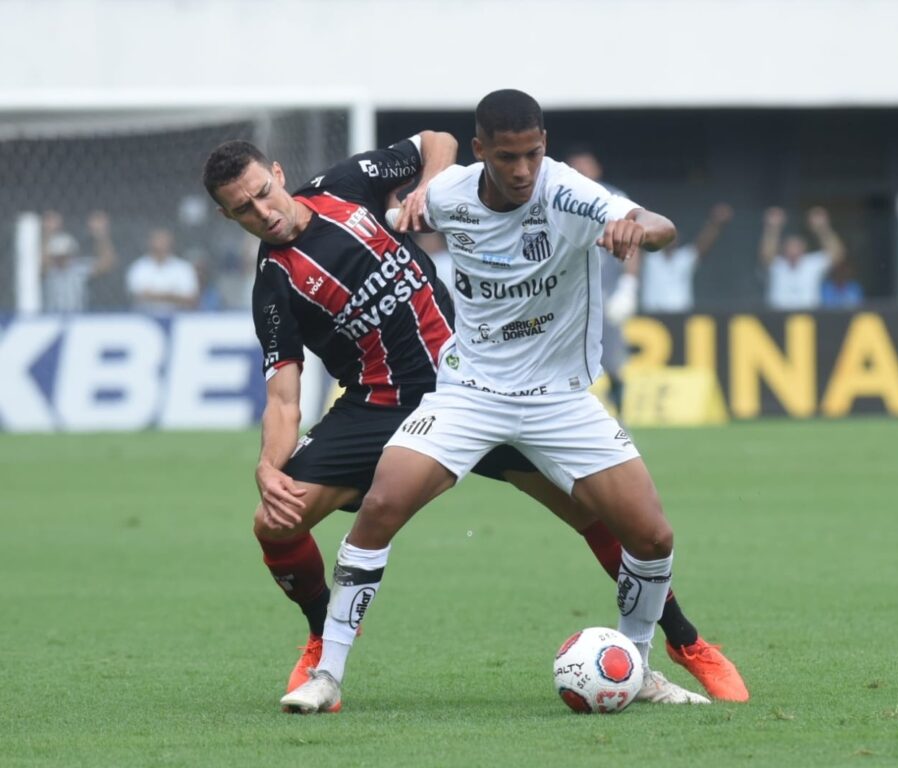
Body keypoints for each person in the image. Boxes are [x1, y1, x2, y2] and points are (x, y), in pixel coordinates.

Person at [280, 90, 748, 713]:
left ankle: (635, 667)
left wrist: (637, 228)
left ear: (544, 145)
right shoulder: (448, 195)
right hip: (470, 393)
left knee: (652, 535)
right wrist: (399, 209)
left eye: (532, 153)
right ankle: (328, 674)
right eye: (507, 157)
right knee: (384, 503)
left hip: (559, 399)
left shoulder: (567, 193)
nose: (522, 169)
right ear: (481, 153)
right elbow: (383, 221)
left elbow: (658, 226)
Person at [565, 147, 637, 414]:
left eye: (586, 166)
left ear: (597, 169)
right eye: (576, 167)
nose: (582, 172)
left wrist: (629, 287)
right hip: (566, 293)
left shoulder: (614, 198)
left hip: (603, 291)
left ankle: (620, 416)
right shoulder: (557, 196)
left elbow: (634, 240)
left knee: (613, 360)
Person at [641, 203, 733, 313]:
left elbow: (702, 245)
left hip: (682, 317)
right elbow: (638, 240)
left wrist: (716, 224)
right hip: (652, 318)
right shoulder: (650, 258)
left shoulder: (683, 258)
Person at [759, 206, 845, 310]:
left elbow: (837, 254)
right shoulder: (777, 264)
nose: (794, 250)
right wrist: (773, 228)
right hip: (778, 318)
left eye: (797, 246)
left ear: (804, 249)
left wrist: (822, 228)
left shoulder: (812, 263)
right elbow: (766, 254)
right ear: (783, 249)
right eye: (790, 246)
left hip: (809, 318)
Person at [40, 210, 117, 313]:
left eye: (65, 255)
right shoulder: (50, 269)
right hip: (52, 315)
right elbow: (41, 265)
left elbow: (107, 263)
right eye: (58, 256)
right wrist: (49, 233)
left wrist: (100, 236)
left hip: (78, 315)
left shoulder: (78, 268)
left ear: (72, 255)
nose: (62, 259)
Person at [126, 227, 200, 312]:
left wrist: (153, 296)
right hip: (145, 317)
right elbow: (138, 296)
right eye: (157, 239)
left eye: (164, 240)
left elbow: (191, 298)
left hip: (179, 315)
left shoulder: (183, 268)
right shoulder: (138, 267)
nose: (161, 243)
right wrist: (172, 296)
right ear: (150, 242)